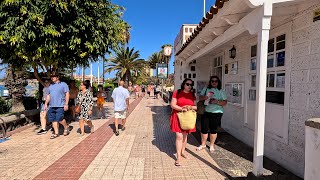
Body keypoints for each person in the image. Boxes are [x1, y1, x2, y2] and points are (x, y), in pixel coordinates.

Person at [170, 78, 197, 166]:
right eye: (187, 84)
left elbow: (196, 107)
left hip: (187, 118)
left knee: (185, 136)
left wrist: (190, 107)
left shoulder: (192, 95)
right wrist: (182, 109)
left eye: (191, 84)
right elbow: (173, 105)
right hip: (177, 116)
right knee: (179, 136)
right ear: (183, 84)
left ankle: (183, 151)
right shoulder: (177, 93)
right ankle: (178, 157)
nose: (189, 86)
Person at [197, 76, 227, 153]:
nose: (214, 82)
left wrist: (216, 102)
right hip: (206, 111)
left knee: (213, 130)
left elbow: (225, 102)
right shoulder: (206, 88)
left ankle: (211, 145)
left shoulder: (221, 91)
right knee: (204, 129)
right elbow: (200, 97)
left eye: (216, 81)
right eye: (212, 81)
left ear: (218, 82)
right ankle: (203, 144)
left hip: (217, 113)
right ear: (210, 82)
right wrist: (205, 97)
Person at [44, 72, 70, 139]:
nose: (52, 78)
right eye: (51, 77)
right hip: (52, 105)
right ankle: (56, 133)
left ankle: (66, 127)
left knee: (60, 119)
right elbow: (48, 95)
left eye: (54, 76)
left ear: (57, 77)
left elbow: (67, 94)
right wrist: (46, 104)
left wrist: (66, 104)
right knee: (53, 120)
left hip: (60, 105)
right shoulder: (50, 86)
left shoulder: (63, 84)